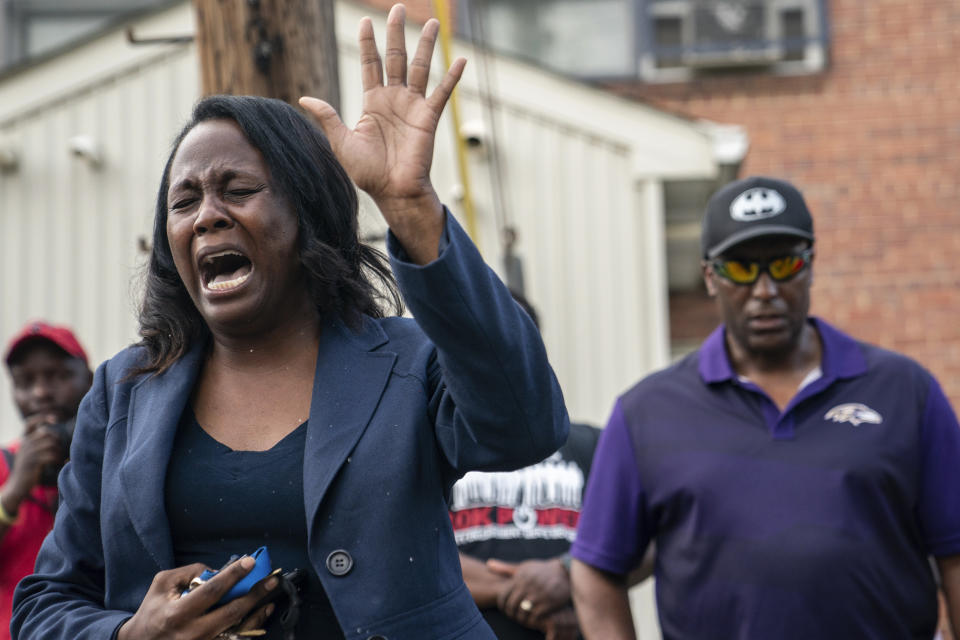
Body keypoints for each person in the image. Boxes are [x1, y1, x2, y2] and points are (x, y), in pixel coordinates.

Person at [11, 5, 568, 639]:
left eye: (238, 190)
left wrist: (409, 205)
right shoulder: (121, 394)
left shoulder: (410, 364)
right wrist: (129, 635)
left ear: (306, 214)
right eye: (184, 201)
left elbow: (525, 426)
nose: (206, 217)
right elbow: (46, 604)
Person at [570, 176, 960, 639]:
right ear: (710, 277)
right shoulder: (647, 413)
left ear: (811, 265)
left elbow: (954, 552)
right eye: (740, 269)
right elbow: (595, 567)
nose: (764, 289)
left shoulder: (904, 391)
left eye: (784, 263)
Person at [449, 291, 600, 640]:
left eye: (508, 336)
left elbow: (640, 538)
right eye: (478, 336)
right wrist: (515, 592)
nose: (494, 352)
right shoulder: (426, 449)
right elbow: (405, 552)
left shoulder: (593, 444)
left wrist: (566, 573)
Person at [0, 322, 92, 639]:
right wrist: (14, 489)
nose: (40, 392)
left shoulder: (111, 464)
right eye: (25, 382)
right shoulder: (2, 465)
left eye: (56, 376)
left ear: (91, 380)